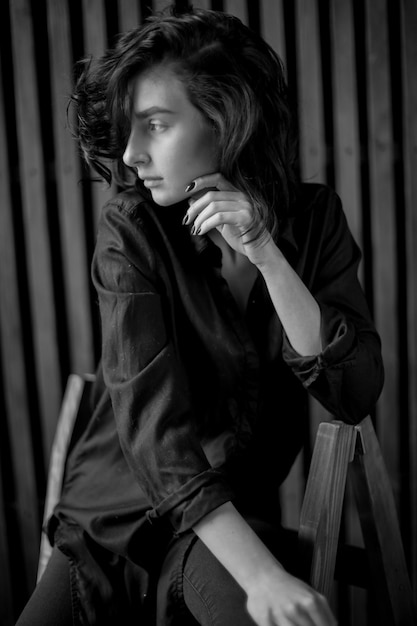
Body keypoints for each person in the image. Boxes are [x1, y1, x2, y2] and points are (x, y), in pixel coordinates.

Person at [17, 4, 384, 626]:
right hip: (110, 521)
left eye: (155, 125)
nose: (130, 154)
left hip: (225, 524)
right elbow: (156, 435)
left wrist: (266, 254)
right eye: (129, 130)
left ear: (226, 121)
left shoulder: (315, 220)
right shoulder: (129, 231)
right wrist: (265, 574)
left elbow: (354, 392)